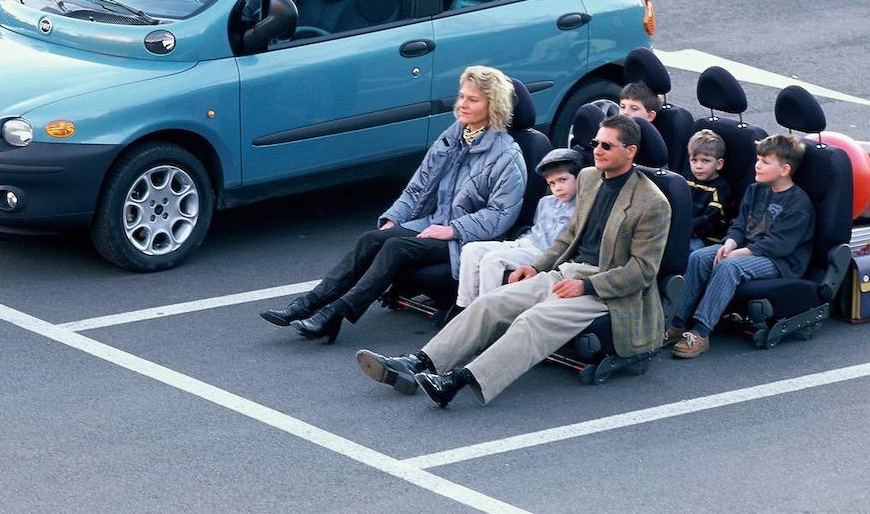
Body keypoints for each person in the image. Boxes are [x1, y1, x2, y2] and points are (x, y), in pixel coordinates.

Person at [355, 115, 669, 406]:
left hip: (608, 292)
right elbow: (569, 234)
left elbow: (642, 272)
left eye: (606, 145)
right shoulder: (589, 178)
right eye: (595, 144)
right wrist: (536, 267)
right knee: (489, 304)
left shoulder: (652, 202)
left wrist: (586, 286)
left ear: (630, 151)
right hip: (565, 273)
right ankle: (417, 363)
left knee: (531, 320)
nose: (596, 150)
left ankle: (457, 381)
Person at [260, 66, 527, 344]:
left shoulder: (507, 155)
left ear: (493, 105)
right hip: (431, 224)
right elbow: (417, 188)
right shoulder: (451, 138)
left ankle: (334, 315)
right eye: (461, 96)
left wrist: (452, 230)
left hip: (465, 240)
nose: (462, 104)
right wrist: (394, 220)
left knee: (396, 247)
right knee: (372, 238)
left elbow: (500, 214)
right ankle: (307, 303)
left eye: (473, 100)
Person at [668, 133, 814, 359]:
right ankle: (677, 323)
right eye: (758, 159)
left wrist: (740, 253)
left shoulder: (798, 203)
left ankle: (701, 331)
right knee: (698, 257)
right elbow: (739, 223)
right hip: (747, 248)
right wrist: (729, 243)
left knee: (729, 267)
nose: (757, 165)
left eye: (765, 162)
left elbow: (780, 245)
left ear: (784, 170)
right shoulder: (755, 189)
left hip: (779, 261)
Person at [453, 147, 584, 310]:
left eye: (563, 180)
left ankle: (489, 312)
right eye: (552, 183)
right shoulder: (546, 202)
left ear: (579, 178)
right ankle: (465, 307)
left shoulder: (583, 206)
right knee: (471, 250)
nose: (557, 188)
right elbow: (536, 229)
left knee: (492, 260)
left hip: (542, 252)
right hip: (523, 242)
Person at [685, 129, 732, 253]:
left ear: (719, 164)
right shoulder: (686, 180)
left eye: (705, 160)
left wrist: (681, 228)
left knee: (688, 249)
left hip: (706, 239)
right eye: (694, 160)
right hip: (684, 231)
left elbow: (710, 219)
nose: (698, 166)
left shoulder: (720, 189)